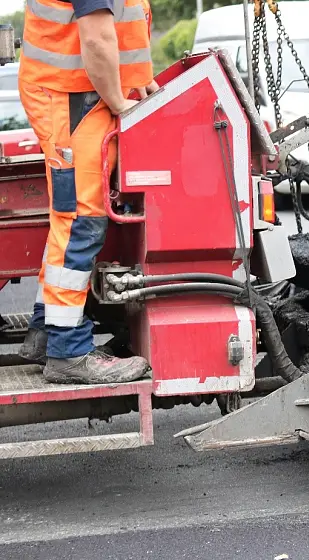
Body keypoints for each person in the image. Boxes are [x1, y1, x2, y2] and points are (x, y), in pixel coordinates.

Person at [16, 0, 157, 384]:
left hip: (74, 93)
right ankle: (68, 351)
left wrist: (136, 78)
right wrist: (119, 101)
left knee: (72, 217)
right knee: (80, 219)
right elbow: (96, 38)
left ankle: (47, 332)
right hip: (72, 96)